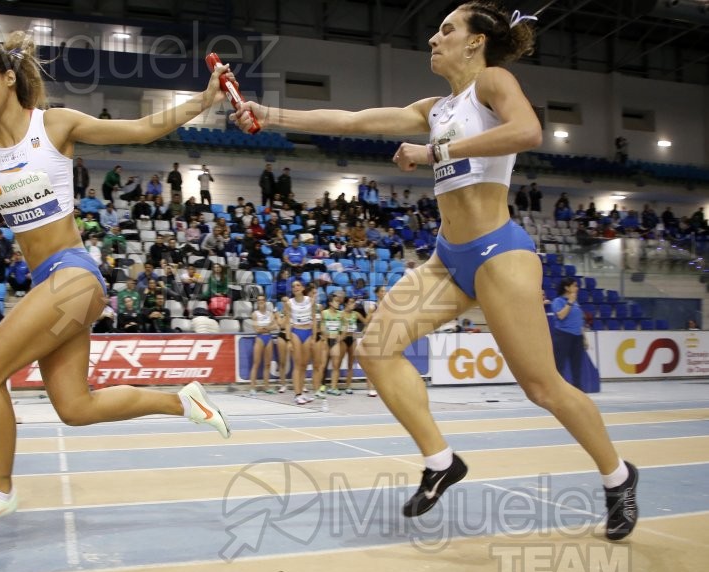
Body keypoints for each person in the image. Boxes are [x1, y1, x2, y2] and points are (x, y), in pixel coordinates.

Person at [232, 3, 637, 540]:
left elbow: (527, 132)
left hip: (500, 253)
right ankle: (441, 460)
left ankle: (618, 477)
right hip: (449, 258)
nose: (433, 39)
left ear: (475, 43)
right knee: (376, 348)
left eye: (447, 30)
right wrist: (268, 113)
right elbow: (353, 121)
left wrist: (435, 150)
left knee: (543, 387)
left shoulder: (493, 81)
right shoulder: (437, 106)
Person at [0, 32, 232, 532]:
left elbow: (142, 128)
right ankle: (183, 400)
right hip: (50, 285)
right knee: (75, 407)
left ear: (9, 77)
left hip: (75, 274)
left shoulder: (54, 125)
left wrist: (204, 101)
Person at [282, 280, 316, 405]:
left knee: (304, 365)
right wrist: (289, 340)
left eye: (298, 285)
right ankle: (297, 394)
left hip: (308, 333)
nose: (295, 287)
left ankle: (302, 391)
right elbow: (287, 322)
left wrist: (313, 337)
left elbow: (314, 319)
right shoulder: (289, 303)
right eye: (293, 286)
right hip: (296, 332)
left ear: (302, 288)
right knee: (297, 364)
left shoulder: (310, 300)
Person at [551, 277, 586, 390]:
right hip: (563, 336)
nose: (577, 288)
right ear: (567, 287)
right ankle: (557, 389)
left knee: (577, 365)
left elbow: (579, 320)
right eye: (574, 285)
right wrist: (570, 302)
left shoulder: (576, 303)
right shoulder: (558, 301)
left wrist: (584, 337)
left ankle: (577, 388)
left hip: (577, 337)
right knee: (559, 364)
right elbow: (561, 316)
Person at [249, 294, 278, 395]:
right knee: (256, 363)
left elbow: (275, 326)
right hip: (260, 338)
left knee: (267, 364)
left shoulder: (270, 314)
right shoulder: (255, 314)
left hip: (268, 338)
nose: (261, 302)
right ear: (257, 302)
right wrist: (268, 327)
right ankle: (252, 387)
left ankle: (267, 386)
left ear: (265, 301)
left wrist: (265, 328)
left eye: (262, 300)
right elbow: (257, 329)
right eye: (259, 300)